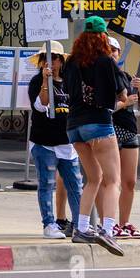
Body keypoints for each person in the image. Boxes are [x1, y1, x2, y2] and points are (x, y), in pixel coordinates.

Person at [62, 16, 125, 256]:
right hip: (98, 124)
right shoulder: (105, 61)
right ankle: (107, 230)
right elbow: (120, 93)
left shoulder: (71, 63)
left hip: (74, 126)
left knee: (93, 179)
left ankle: (81, 228)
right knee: (112, 180)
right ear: (102, 37)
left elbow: (67, 89)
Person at [27, 42, 82, 239]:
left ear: (61, 61)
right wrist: (45, 82)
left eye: (55, 58)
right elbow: (41, 106)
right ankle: (49, 224)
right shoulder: (36, 82)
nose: (51, 62)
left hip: (67, 143)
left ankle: (80, 224)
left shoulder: (69, 81)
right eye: (46, 59)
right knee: (47, 183)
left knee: (75, 184)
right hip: (44, 142)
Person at [109, 35, 140, 240]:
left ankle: (124, 222)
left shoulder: (126, 76)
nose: (112, 53)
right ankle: (110, 222)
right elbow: (104, 108)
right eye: (108, 50)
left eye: (114, 50)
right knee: (111, 181)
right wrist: (124, 103)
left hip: (129, 131)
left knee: (129, 181)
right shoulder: (102, 78)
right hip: (111, 131)